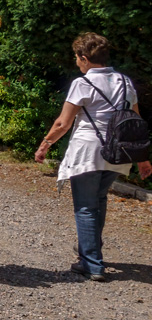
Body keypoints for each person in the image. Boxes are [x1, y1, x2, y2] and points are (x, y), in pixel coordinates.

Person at [33, 33, 152, 281]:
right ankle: (92, 250)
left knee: (85, 207)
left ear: (85, 59)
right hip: (118, 153)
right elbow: (135, 122)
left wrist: (45, 145)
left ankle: (91, 264)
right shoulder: (124, 82)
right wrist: (142, 158)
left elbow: (62, 123)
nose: (77, 63)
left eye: (77, 58)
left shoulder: (82, 83)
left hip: (88, 150)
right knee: (99, 201)